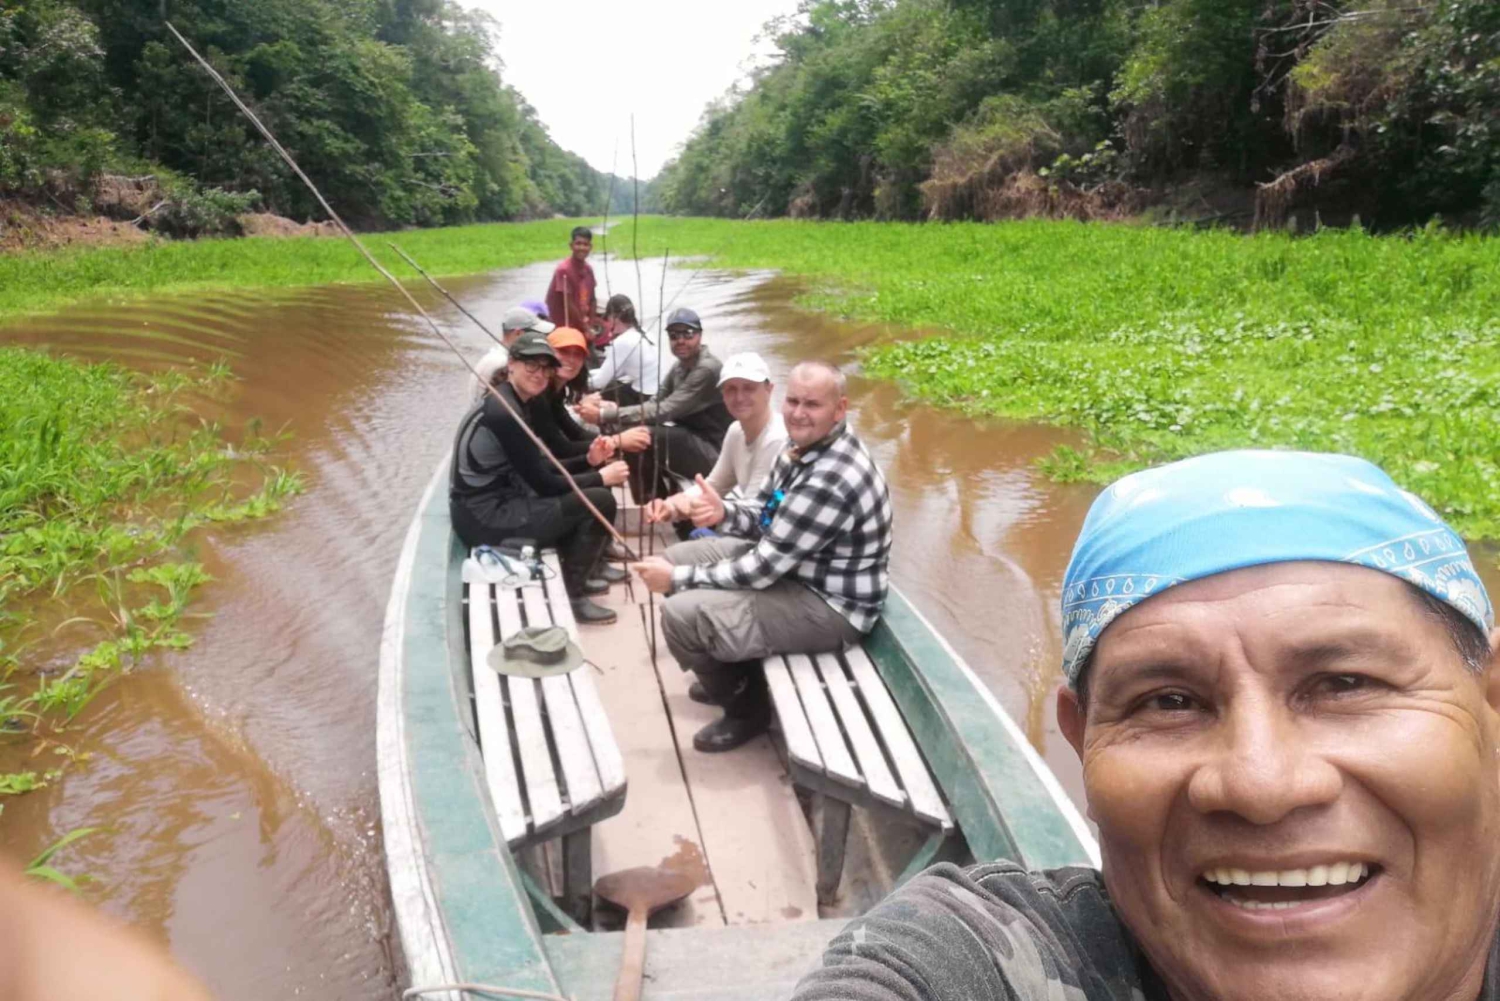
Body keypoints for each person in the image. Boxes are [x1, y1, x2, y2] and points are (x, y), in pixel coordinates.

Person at [791, 449, 1499, 1001]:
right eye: (1169, 701)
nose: (1259, 783)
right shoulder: (982, 960)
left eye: (1346, 684)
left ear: (1491, 702)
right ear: (1081, 740)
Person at [631, 361, 893, 752]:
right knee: (680, 553)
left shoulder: (830, 478)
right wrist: (726, 513)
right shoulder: (800, 447)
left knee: (680, 615)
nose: (799, 413)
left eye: (813, 405)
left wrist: (677, 580)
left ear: (839, 409)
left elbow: (761, 569)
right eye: (793, 401)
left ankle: (746, 710)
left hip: (829, 604)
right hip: (797, 571)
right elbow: (766, 513)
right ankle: (731, 665)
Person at [449, 331, 629, 624]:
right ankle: (573, 597)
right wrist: (601, 476)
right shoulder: (506, 413)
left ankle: (587, 566)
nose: (540, 374)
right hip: (483, 516)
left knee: (588, 485)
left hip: (503, 497)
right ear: (511, 364)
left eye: (546, 367)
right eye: (531, 365)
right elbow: (545, 484)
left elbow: (542, 465)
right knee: (600, 499)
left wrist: (588, 460)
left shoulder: (518, 402)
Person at [578, 306, 732, 514]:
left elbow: (666, 409)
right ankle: (652, 502)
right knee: (633, 430)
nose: (681, 341)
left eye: (688, 334)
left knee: (640, 436)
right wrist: (614, 411)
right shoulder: (680, 367)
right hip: (691, 439)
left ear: (699, 335)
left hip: (713, 452)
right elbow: (655, 402)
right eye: (674, 335)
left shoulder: (706, 369)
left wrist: (605, 414)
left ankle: (652, 504)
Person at [643, 351, 787, 530]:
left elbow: (754, 510)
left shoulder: (777, 439)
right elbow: (716, 484)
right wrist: (671, 505)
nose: (739, 397)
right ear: (723, 395)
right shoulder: (736, 431)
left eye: (749, 388)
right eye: (731, 389)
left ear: (769, 389)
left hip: (768, 536)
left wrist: (694, 506)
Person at [588, 294, 661, 406]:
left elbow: (600, 382)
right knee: (615, 384)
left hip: (642, 397)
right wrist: (590, 373)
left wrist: (579, 382)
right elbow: (620, 371)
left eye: (608, 318)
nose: (607, 322)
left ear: (614, 317)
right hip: (657, 393)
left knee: (604, 390)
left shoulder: (622, 342)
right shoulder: (646, 332)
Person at [471, 306, 554, 402]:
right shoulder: (500, 361)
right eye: (536, 333)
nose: (540, 338)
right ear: (518, 333)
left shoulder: (497, 354)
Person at [544, 226, 597, 337]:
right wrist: (585, 327)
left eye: (585, 244)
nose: (582, 248)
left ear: (590, 247)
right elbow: (568, 304)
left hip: (582, 324)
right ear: (571, 245)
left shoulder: (588, 270)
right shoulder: (563, 270)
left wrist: (591, 325)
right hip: (563, 327)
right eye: (578, 244)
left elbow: (592, 300)